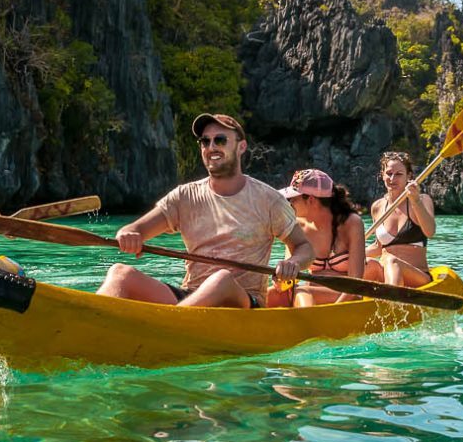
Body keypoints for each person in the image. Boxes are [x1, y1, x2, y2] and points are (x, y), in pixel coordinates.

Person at [96, 113, 313, 308]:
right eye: (204, 141)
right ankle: (92, 321)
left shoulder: (269, 200)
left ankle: (169, 326)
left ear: (241, 147)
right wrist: (128, 234)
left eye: (220, 140)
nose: (211, 147)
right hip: (191, 295)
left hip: (244, 301)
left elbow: (304, 247)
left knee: (221, 279)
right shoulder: (184, 196)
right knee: (120, 273)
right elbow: (136, 229)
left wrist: (292, 263)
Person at [279, 168, 366, 307]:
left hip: (347, 296)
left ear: (311, 199)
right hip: (311, 294)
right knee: (272, 293)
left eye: (292, 199)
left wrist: (333, 312)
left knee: (303, 293)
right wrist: (281, 278)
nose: (289, 204)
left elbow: (356, 283)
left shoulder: (352, 223)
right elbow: (290, 283)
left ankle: (309, 326)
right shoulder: (296, 226)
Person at [365, 150, 435, 288]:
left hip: (417, 277)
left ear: (409, 176)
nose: (392, 179)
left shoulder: (422, 200)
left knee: (392, 261)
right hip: (386, 275)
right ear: (382, 175)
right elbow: (378, 247)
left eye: (398, 174)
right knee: (368, 263)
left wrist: (415, 201)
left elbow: (430, 232)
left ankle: (392, 305)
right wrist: (348, 253)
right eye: (389, 174)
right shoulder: (377, 207)